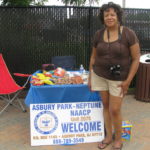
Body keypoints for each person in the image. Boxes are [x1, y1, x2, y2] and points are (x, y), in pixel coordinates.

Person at [88, 2, 140, 150]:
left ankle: (118, 139)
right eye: (106, 15)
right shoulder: (98, 34)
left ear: (118, 16)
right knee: (105, 105)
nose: (109, 17)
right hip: (99, 75)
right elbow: (93, 57)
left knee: (115, 109)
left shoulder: (128, 33)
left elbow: (136, 59)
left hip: (119, 79)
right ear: (103, 18)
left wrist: (128, 81)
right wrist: (91, 77)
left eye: (112, 14)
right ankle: (108, 136)